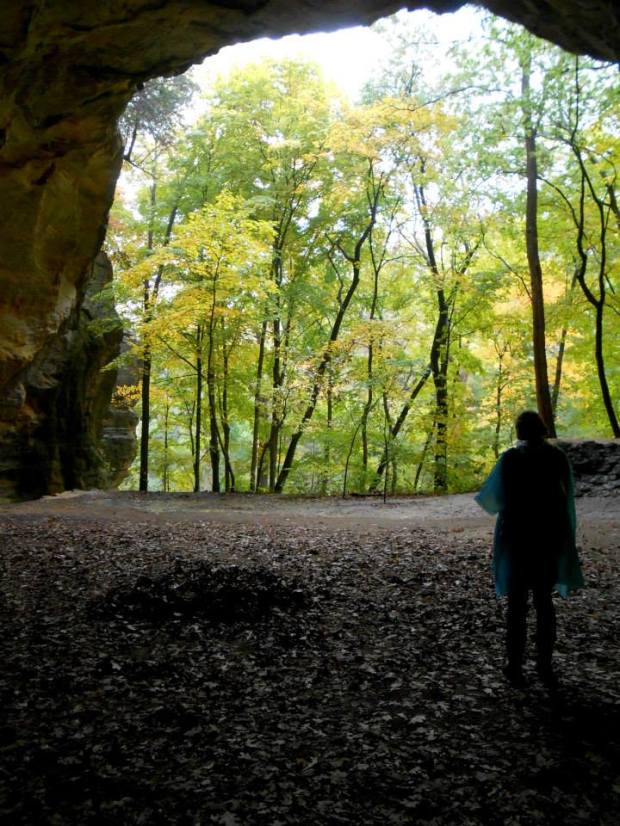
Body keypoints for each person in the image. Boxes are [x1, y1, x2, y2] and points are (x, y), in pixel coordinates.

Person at [475, 410, 584, 687]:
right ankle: (544, 664)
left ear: (520, 431)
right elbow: (565, 498)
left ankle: (514, 664)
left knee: (517, 604)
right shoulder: (557, 458)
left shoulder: (511, 458)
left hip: (518, 538)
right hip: (548, 537)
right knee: (544, 602)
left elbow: (492, 499)